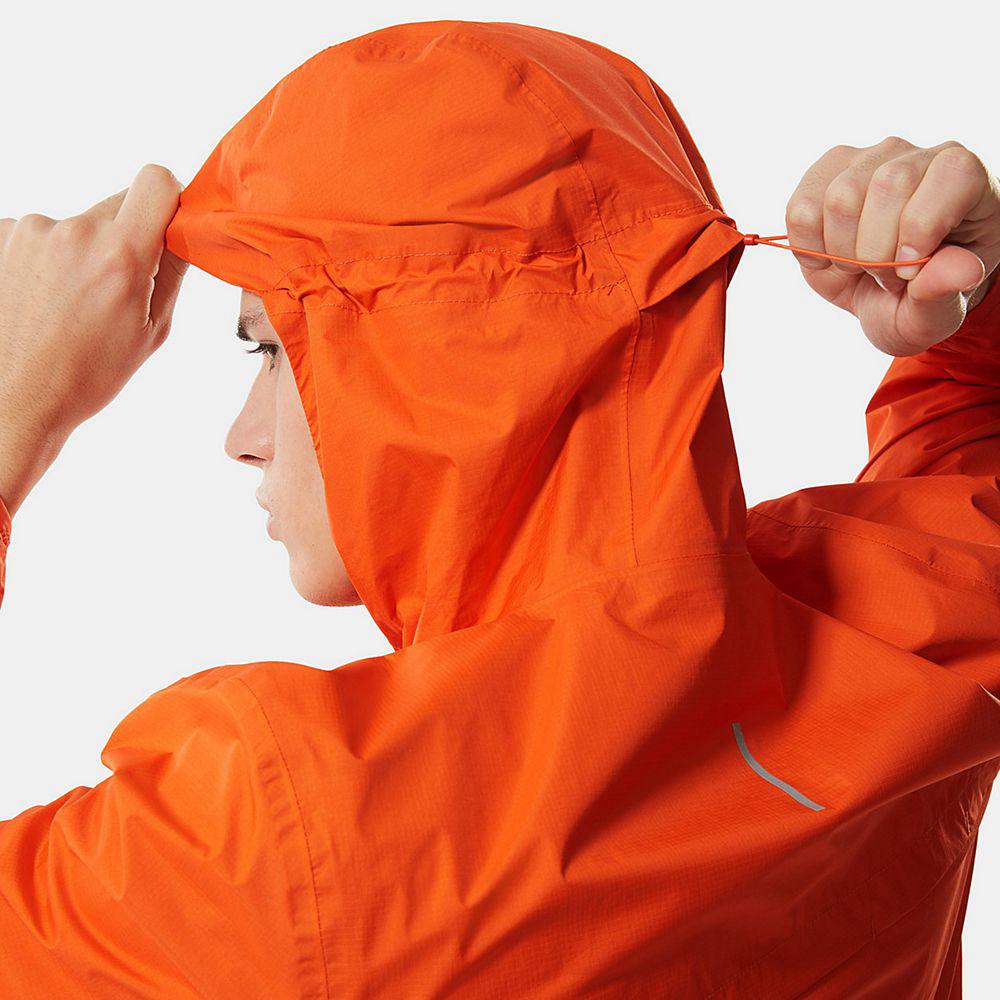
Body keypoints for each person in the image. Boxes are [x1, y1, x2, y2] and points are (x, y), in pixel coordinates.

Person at [1, 19, 999, 998]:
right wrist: (973, 294)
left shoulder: (289, 850)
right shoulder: (911, 634)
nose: (242, 436)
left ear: (434, 365)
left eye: (272, 347)